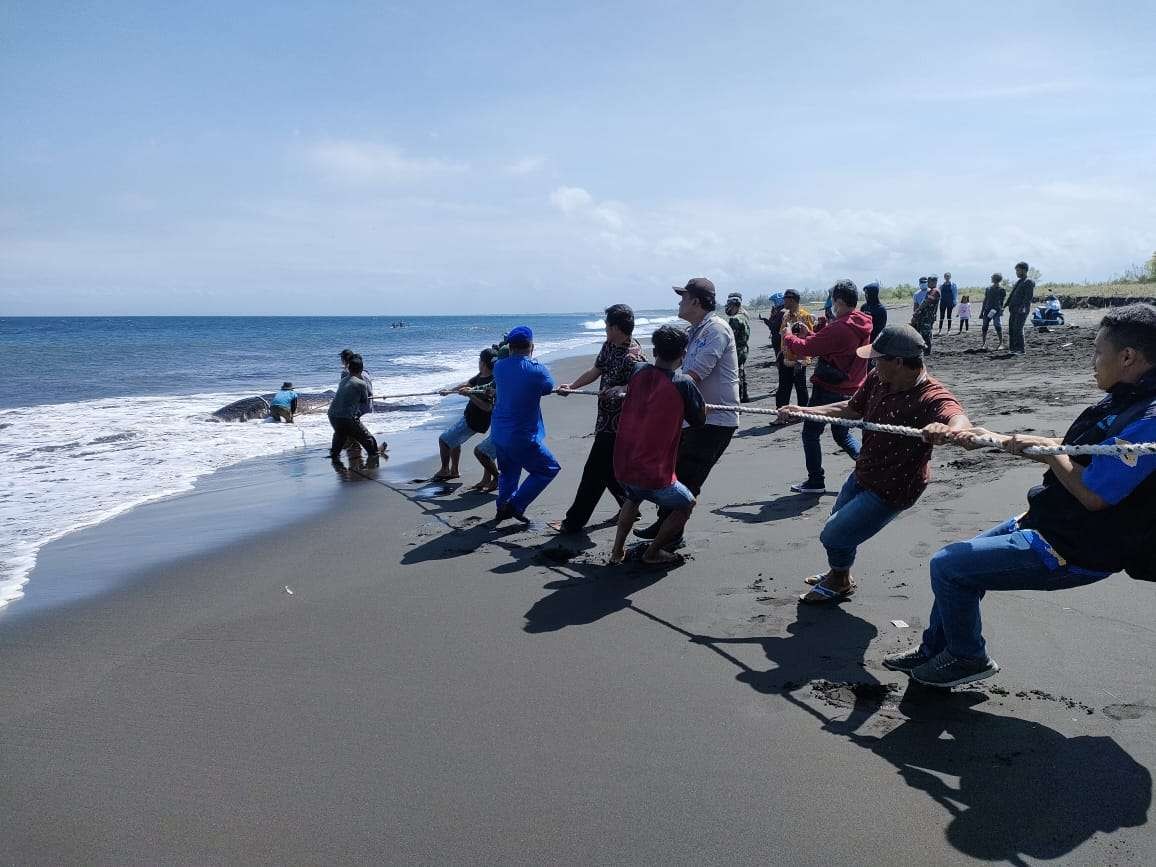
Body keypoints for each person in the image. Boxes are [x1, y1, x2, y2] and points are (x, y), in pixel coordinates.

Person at [886, 304, 1156, 687]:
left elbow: (1095, 494)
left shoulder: (1150, 417)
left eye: (1098, 351)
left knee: (948, 566)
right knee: (957, 569)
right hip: (1050, 523)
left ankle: (967, 658)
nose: (1093, 361)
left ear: (1128, 356)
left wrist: (1048, 448)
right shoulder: (1127, 398)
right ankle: (935, 649)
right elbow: (1084, 455)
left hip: (1077, 549)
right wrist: (990, 436)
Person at [778, 325, 970, 603]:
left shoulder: (932, 395)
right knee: (839, 524)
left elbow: (958, 418)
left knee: (834, 534)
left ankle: (839, 582)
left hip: (894, 488)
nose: (872, 363)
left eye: (878, 358)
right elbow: (850, 409)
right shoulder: (878, 379)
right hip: (864, 472)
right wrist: (805, 411)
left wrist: (949, 429)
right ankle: (839, 574)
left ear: (899, 362)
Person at [634, 277, 739, 546]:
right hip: (691, 417)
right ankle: (662, 527)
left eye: (683, 297)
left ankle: (669, 541)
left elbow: (693, 375)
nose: (679, 302)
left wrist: (652, 395)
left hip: (714, 420)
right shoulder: (694, 331)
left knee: (687, 481)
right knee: (674, 475)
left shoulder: (716, 329)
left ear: (695, 301)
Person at [609, 325, 707, 566]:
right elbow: (698, 420)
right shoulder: (683, 383)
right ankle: (653, 552)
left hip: (624, 464)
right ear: (683, 354)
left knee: (633, 497)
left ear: (655, 351)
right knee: (687, 504)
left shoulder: (638, 371)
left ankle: (617, 551)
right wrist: (702, 406)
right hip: (654, 473)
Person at [549, 304, 646, 534]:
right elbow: (595, 371)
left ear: (616, 327)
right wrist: (572, 387)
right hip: (604, 420)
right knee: (608, 471)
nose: (604, 329)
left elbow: (644, 388)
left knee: (593, 473)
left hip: (621, 426)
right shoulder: (609, 346)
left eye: (606, 326)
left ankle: (572, 523)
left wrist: (623, 387)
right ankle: (628, 506)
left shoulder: (634, 356)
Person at [781, 279, 872, 494]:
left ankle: (816, 481)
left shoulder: (841, 326)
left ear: (838, 301)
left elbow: (808, 349)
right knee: (842, 434)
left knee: (811, 433)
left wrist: (789, 336)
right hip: (853, 386)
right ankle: (870, 468)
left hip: (830, 387)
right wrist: (809, 335)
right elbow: (831, 346)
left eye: (832, 300)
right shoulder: (862, 322)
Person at [489, 325, 560, 523]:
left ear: (510, 347)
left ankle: (502, 507)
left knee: (509, 471)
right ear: (531, 346)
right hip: (521, 435)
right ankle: (515, 505)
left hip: (499, 433)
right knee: (548, 469)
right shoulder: (537, 369)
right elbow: (548, 387)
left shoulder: (499, 367)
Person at [432, 348, 497, 483]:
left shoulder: (491, 382)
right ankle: (454, 470)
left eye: (480, 361)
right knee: (454, 441)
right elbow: (467, 384)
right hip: (469, 417)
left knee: (444, 440)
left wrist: (470, 395)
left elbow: (487, 407)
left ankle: (445, 470)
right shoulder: (481, 375)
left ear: (483, 363)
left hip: (475, 421)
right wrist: (449, 391)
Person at [328, 355, 382, 463]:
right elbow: (365, 401)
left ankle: (334, 455)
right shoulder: (361, 383)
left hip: (332, 414)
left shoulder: (343, 380)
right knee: (366, 437)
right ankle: (374, 453)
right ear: (361, 370)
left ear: (348, 368)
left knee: (340, 434)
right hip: (347, 416)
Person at [775, 289, 813, 409]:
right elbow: (783, 335)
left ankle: (803, 413)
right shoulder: (785, 316)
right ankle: (781, 413)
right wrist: (780, 353)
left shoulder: (804, 316)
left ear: (792, 300)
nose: (783, 302)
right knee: (783, 387)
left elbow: (808, 339)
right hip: (786, 358)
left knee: (800, 387)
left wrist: (800, 360)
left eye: (785, 299)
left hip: (799, 359)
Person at [725, 292, 752, 402]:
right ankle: (744, 395)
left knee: (736, 374)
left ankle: (739, 397)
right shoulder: (745, 315)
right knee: (741, 370)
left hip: (737, 349)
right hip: (744, 348)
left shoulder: (735, 319)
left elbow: (731, 337)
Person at [1005, 261, 1035, 355]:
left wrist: (1023, 307)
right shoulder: (1019, 281)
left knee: (1018, 328)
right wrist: (1005, 305)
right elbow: (1012, 294)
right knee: (1012, 329)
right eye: (1016, 271)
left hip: (1021, 309)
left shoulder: (1029, 281)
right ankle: (1013, 349)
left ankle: (1021, 350)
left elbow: (1028, 297)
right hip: (1013, 309)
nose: (1016, 273)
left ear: (1024, 270)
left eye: (1018, 270)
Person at [911, 276, 941, 356]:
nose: (927, 284)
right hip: (925, 316)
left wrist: (917, 311)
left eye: (929, 282)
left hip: (927, 317)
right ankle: (924, 350)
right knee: (923, 333)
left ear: (934, 282)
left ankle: (927, 351)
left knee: (926, 334)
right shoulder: (931, 291)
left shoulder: (935, 291)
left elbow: (926, 302)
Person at [980, 273, 1006, 349]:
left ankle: (1001, 343)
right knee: (984, 326)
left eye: (992, 277)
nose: (991, 278)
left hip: (996, 311)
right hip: (987, 310)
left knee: (997, 325)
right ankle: (984, 344)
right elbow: (985, 301)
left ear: (996, 279)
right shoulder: (988, 289)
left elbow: (1002, 302)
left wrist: (1001, 310)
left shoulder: (1002, 290)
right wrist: (981, 312)